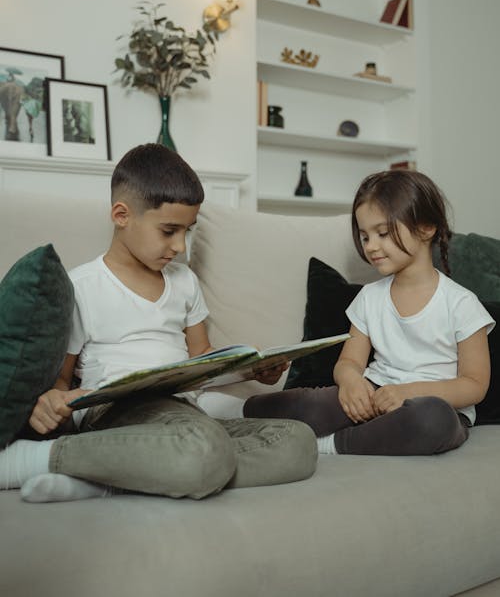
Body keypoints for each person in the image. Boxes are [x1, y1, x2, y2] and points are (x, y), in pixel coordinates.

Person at [0, 144, 316, 502]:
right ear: (122, 215)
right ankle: (34, 460)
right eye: (168, 231)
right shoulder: (84, 286)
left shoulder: (184, 282)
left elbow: (203, 360)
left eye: (187, 231)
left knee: (298, 441)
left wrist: (253, 369)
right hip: (112, 412)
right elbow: (61, 380)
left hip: (183, 413)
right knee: (203, 446)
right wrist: (53, 400)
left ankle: (108, 479)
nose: (180, 246)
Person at [244, 170, 494, 456]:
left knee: (430, 420)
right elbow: (349, 361)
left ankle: (332, 445)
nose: (371, 246)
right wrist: (351, 382)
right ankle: (237, 411)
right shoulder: (369, 297)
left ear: (426, 228)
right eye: (364, 237)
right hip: (374, 394)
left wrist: (407, 393)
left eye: (383, 233)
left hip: (435, 406)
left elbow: (474, 385)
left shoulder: (462, 303)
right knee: (305, 403)